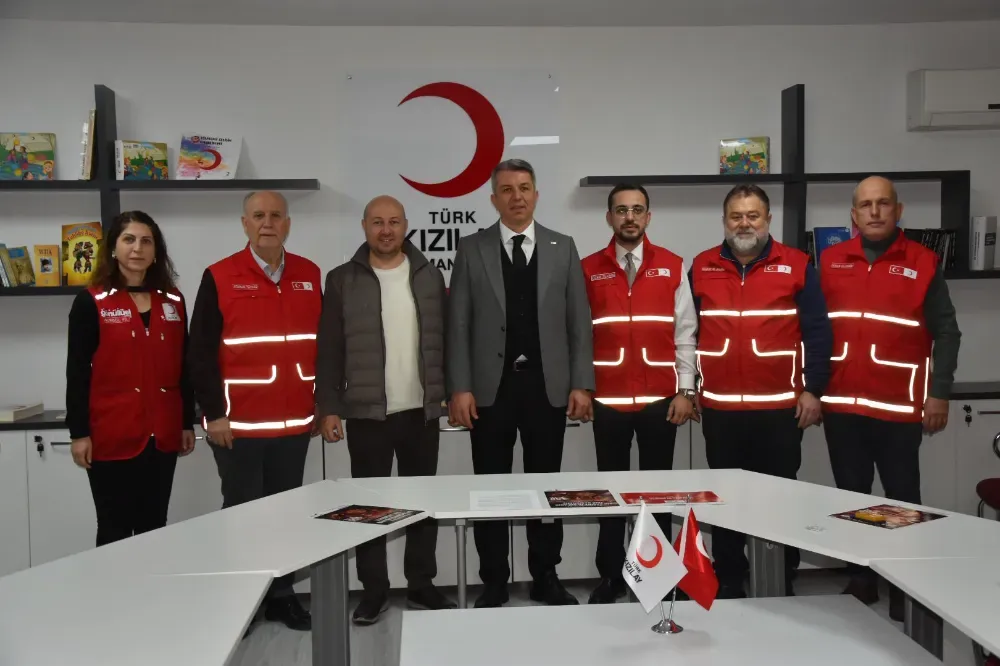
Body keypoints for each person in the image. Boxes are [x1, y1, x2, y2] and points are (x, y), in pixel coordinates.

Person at [447, 158, 595, 608]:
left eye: (525, 188)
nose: (517, 197)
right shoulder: (471, 249)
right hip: (489, 391)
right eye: (508, 190)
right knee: (490, 489)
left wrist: (581, 383)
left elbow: (579, 323)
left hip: (547, 390)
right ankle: (493, 580)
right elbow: (458, 324)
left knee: (547, 490)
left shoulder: (563, 247)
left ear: (536, 194)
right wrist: (460, 387)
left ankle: (545, 576)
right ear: (494, 198)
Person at [818, 175, 961, 620]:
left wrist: (939, 394)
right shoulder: (830, 260)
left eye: (883, 203)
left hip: (899, 405)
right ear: (854, 215)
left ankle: (905, 584)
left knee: (902, 499)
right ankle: (860, 577)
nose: (875, 211)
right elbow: (812, 329)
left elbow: (947, 332)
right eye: (866, 205)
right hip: (842, 403)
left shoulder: (923, 261)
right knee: (851, 498)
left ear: (898, 211)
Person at [316, 195, 456, 625]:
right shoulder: (342, 279)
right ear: (364, 226)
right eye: (377, 222)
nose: (386, 230)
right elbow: (329, 349)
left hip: (420, 412)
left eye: (394, 222)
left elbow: (447, 340)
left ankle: (421, 585)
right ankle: (373, 591)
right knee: (368, 509)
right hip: (366, 413)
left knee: (421, 505)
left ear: (406, 225)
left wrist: (451, 393)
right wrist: (329, 407)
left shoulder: (429, 275)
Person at [690, 183, 832, 598]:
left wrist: (813, 389)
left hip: (779, 410)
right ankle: (729, 578)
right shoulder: (701, 266)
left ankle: (780, 577)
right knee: (725, 500)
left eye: (753, 215)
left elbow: (818, 332)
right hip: (720, 410)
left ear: (768, 220)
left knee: (779, 498)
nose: (744, 223)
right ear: (724, 221)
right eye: (736, 216)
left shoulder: (797, 264)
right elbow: (686, 332)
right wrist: (689, 386)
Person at [188, 191, 321, 631]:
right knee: (243, 517)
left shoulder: (309, 273)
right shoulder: (220, 275)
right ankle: (242, 600)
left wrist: (320, 403)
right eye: (258, 215)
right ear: (244, 224)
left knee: (286, 518)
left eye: (276, 215)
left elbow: (322, 344)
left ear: (288, 224)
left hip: (295, 424)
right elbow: (200, 352)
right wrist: (213, 414)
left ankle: (282, 597)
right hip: (238, 426)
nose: (268, 223)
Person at [580, 183, 698, 604]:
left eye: (637, 210)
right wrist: (582, 388)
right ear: (609, 217)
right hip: (608, 399)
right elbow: (579, 335)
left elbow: (686, 333)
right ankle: (610, 576)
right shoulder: (588, 268)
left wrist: (686, 390)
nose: (629, 217)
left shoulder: (672, 265)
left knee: (657, 495)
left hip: (659, 400)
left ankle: (657, 575)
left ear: (648, 217)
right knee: (610, 496)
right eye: (621, 210)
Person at [66, 211, 195, 546]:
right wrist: (79, 433)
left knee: (155, 525)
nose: (137, 248)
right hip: (111, 435)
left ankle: (152, 582)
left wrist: (186, 423)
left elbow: (184, 366)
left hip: (163, 434)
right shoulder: (91, 301)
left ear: (156, 251)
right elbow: (77, 373)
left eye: (146, 241)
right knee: (115, 528)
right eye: (129, 240)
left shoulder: (174, 300)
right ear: (113, 248)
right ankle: (112, 584)